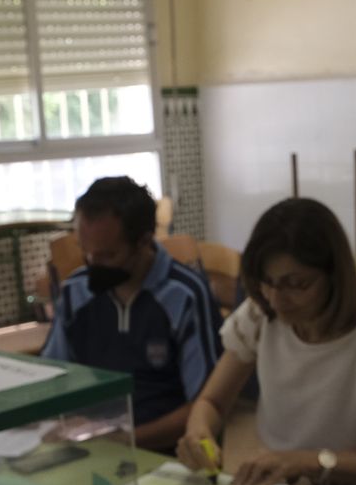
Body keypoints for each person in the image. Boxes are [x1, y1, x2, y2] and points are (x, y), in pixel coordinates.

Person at [177, 198, 356, 485]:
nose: (276, 299)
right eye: (267, 282)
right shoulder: (261, 314)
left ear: (334, 276)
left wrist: (304, 461)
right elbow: (213, 402)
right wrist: (198, 431)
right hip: (280, 481)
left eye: (296, 284)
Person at [40, 177, 222, 451]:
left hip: (166, 451)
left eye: (108, 256)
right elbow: (52, 377)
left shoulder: (185, 295)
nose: (93, 265)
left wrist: (125, 440)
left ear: (144, 242)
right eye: (85, 252)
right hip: (92, 444)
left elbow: (206, 405)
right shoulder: (75, 291)